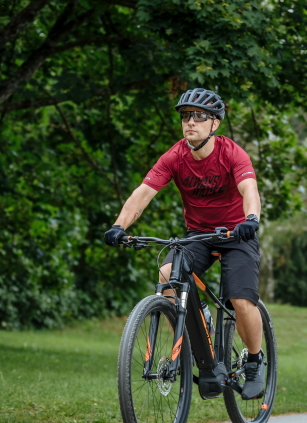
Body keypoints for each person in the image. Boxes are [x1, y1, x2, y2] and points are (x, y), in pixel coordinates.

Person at [104, 87, 266, 400]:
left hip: (237, 233)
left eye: (199, 116)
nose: (190, 121)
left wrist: (251, 219)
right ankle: (199, 318)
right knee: (167, 275)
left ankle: (255, 361)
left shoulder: (232, 153)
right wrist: (118, 225)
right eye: (186, 115)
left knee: (241, 300)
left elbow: (249, 189)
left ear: (214, 124)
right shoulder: (175, 156)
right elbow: (143, 194)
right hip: (199, 235)